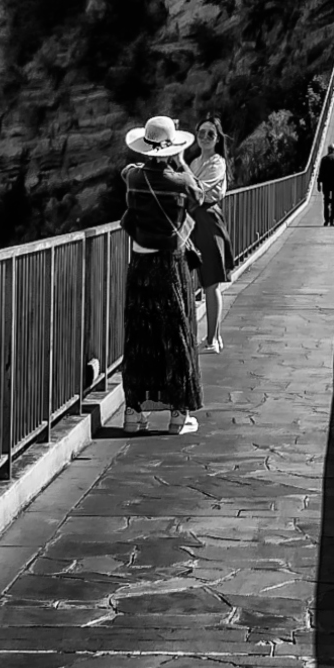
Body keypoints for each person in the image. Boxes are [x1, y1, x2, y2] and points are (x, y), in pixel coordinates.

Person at [120, 116, 203, 434]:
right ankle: (178, 415)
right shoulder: (180, 182)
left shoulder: (135, 179)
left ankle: (132, 413)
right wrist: (181, 162)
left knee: (140, 336)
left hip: (140, 264)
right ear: (173, 149)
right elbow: (199, 197)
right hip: (170, 265)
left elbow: (127, 175)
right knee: (176, 335)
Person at [187, 119, 231, 353]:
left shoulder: (217, 162)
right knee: (206, 281)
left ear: (217, 138)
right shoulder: (196, 161)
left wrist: (179, 168)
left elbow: (197, 191)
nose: (205, 136)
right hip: (195, 221)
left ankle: (212, 340)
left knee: (211, 282)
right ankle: (214, 336)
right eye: (201, 132)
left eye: (210, 134)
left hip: (208, 221)